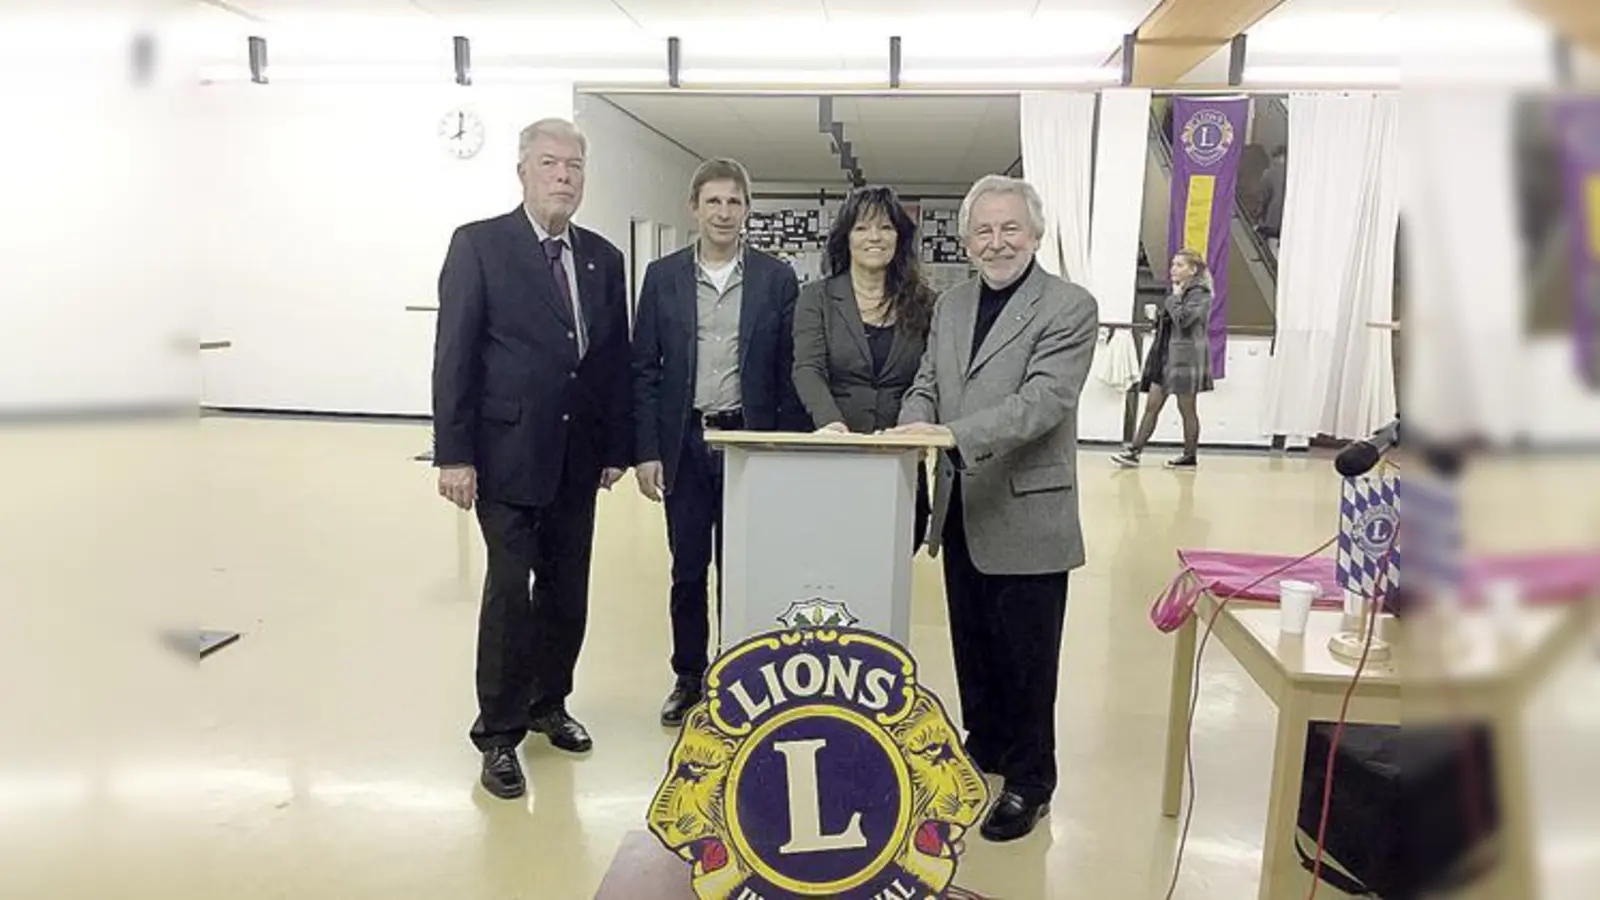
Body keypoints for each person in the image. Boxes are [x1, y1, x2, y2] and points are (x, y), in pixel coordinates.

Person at [885, 174, 1099, 842]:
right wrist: (913, 421)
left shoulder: (1069, 307)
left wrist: (949, 434)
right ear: (966, 239)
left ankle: (1031, 781)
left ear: (1035, 234)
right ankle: (986, 749)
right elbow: (927, 382)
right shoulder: (951, 305)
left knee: (1028, 661)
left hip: (1028, 512)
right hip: (962, 506)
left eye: (1010, 228)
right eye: (984, 230)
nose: (997, 242)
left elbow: (1044, 401)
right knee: (973, 650)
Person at [431, 118, 631, 801]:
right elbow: (454, 355)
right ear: (522, 171)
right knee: (510, 593)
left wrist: (615, 447)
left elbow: (612, 360)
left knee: (567, 591)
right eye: (549, 163)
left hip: (578, 458)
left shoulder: (603, 258)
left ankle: (550, 702)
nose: (563, 176)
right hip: (506, 455)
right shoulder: (480, 246)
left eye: (574, 165)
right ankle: (498, 732)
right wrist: (454, 454)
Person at [631, 157, 807, 727]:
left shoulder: (776, 279)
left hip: (748, 443)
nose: (724, 212)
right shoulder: (662, 277)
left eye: (734, 202)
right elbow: (644, 369)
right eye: (713, 201)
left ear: (747, 210)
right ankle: (689, 675)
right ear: (694, 208)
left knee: (744, 569)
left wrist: (782, 451)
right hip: (684, 442)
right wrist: (647, 450)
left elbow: (789, 372)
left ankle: (740, 674)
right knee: (688, 570)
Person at [791, 185, 935, 549]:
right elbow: (808, 369)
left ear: (900, 237)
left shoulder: (926, 303)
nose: (875, 237)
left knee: (897, 556)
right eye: (862, 227)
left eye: (886, 227)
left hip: (901, 457)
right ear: (846, 237)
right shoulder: (817, 298)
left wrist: (917, 429)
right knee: (834, 556)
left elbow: (932, 376)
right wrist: (831, 423)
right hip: (836, 454)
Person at [1112, 248, 1214, 469]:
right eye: (1173, 264)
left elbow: (1184, 321)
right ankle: (1134, 451)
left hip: (1186, 360)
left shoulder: (1201, 295)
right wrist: (1157, 317)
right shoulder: (1178, 292)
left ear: (1192, 270)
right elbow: (1171, 322)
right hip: (1165, 356)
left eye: (1179, 265)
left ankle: (1189, 456)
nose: (1173, 269)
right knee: (1152, 405)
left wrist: (1173, 300)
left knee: (1187, 409)